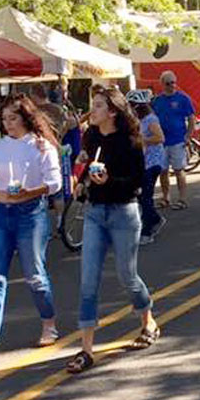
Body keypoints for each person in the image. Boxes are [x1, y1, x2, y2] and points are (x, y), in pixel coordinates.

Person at [0, 94, 63, 367]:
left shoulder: (41, 146)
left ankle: (48, 323)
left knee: (34, 276)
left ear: (26, 118)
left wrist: (31, 192)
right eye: (4, 119)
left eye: (13, 118)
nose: (8, 124)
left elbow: (55, 184)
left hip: (30, 213)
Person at [69, 87, 158, 374]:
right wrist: (82, 180)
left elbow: (137, 183)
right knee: (87, 281)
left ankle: (148, 320)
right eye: (92, 105)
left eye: (96, 106)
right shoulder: (91, 136)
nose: (91, 111)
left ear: (112, 112)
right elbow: (87, 168)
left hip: (123, 212)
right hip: (95, 213)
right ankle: (85, 350)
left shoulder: (131, 141)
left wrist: (108, 180)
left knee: (127, 276)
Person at [150, 71, 195, 210]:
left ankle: (182, 199)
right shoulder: (157, 101)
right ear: (162, 84)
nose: (172, 86)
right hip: (161, 142)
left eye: (173, 82)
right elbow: (151, 119)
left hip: (177, 140)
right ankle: (166, 198)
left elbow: (191, 119)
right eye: (168, 83)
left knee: (178, 170)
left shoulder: (183, 99)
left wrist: (188, 135)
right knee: (162, 171)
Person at [127, 89, 166, 241]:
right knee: (141, 195)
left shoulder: (151, 119)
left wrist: (143, 139)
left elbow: (160, 138)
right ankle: (155, 218)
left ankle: (147, 231)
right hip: (143, 161)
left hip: (154, 161)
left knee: (146, 196)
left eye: (132, 105)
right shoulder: (137, 120)